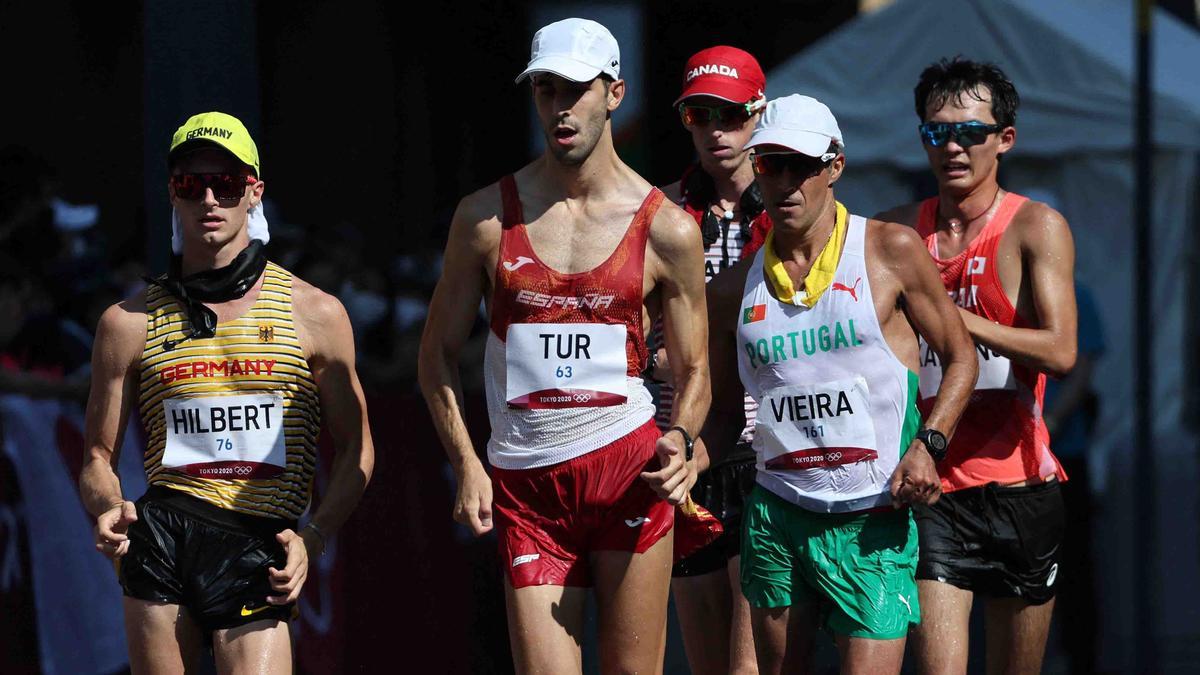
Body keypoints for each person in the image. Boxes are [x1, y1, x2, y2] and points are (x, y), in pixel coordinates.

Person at [417, 18, 710, 675]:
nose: (560, 108)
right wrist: (466, 462)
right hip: (528, 485)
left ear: (615, 92)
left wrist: (685, 438)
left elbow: (696, 374)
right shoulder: (485, 219)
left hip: (628, 470)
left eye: (576, 90)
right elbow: (435, 355)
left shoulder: (667, 228)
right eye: (546, 90)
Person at [79, 111, 375, 674]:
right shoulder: (126, 322)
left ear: (254, 191)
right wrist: (106, 505)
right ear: (173, 191)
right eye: (191, 184)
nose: (209, 198)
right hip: (163, 534)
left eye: (228, 183)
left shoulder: (315, 313)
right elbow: (97, 457)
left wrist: (314, 537)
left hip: (257, 540)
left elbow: (358, 450)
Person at [705, 94, 977, 675]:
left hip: (872, 520)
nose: (784, 183)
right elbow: (725, 414)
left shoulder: (889, 250)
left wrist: (928, 446)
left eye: (799, 165)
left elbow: (960, 358)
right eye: (769, 164)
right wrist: (684, 451)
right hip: (779, 514)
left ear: (835, 165)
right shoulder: (732, 290)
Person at [874, 57, 1078, 674]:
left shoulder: (1037, 227)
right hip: (935, 485)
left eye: (970, 132)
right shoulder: (895, 231)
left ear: (1004, 140)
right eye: (937, 133)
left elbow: (1063, 350)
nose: (953, 147)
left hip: (1021, 489)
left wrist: (961, 325)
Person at [652, 45, 770, 675]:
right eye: (700, 115)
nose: (716, 131)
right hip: (685, 447)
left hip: (767, 450)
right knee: (705, 662)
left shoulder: (794, 209)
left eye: (730, 115)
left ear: (760, 113)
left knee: (753, 663)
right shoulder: (659, 210)